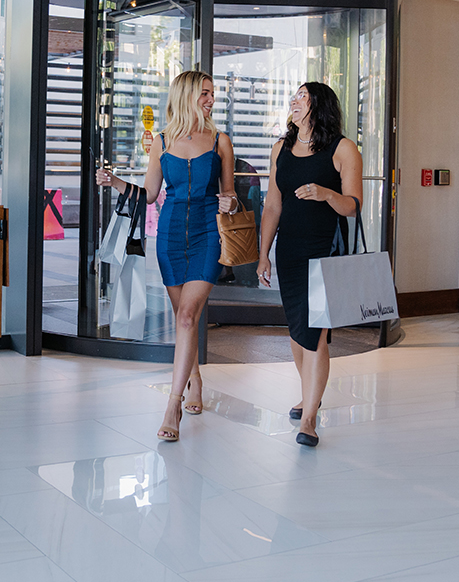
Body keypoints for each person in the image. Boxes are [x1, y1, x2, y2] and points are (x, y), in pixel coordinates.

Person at [96, 70, 239, 442]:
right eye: (205, 93)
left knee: (188, 316)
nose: (211, 100)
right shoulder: (161, 141)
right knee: (182, 318)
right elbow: (149, 195)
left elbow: (231, 194)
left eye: (213, 94)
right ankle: (194, 379)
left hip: (208, 233)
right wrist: (115, 183)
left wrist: (230, 201)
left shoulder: (221, 141)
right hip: (171, 237)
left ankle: (172, 404)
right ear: (188, 95)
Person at [257, 82, 363, 447]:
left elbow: (353, 206)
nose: (294, 101)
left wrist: (326, 193)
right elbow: (273, 205)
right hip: (288, 251)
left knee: (315, 333)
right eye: (294, 96)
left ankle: (310, 417)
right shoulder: (281, 149)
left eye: (303, 96)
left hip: (323, 252)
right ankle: (308, 395)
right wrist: (262, 254)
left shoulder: (343, 149)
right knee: (296, 329)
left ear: (319, 105)